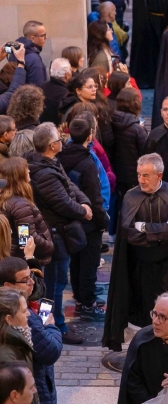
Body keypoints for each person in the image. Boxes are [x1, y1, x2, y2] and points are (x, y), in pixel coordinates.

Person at [103, 153, 168, 353]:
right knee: (142, 309)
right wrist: (159, 232)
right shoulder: (131, 196)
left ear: (159, 175)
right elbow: (129, 234)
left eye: (145, 176)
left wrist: (144, 227)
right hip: (139, 266)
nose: (140, 180)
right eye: (139, 175)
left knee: (166, 308)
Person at [26, 123, 92, 344]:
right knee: (52, 287)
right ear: (52, 145)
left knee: (56, 284)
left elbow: (69, 186)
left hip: (58, 235)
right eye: (59, 140)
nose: (62, 142)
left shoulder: (50, 162)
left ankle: (52, 323)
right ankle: (51, 326)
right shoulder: (43, 173)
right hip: (54, 238)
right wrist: (83, 211)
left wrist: (84, 202)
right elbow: (62, 202)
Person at [57, 117, 109, 322]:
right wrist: (102, 220)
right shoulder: (87, 162)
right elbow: (94, 196)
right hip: (89, 220)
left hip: (69, 217)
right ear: (90, 136)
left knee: (76, 262)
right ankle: (88, 304)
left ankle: (79, 297)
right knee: (89, 263)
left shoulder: (60, 157)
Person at [0, 294, 47, 404]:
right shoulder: (7, 356)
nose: (29, 315)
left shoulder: (17, 342)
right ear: (9, 319)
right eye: (24, 310)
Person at [0, 159, 53, 265]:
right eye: (25, 169)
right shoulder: (20, 204)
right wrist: (49, 246)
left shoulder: (8, 200)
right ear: (18, 175)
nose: (28, 171)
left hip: (13, 257)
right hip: (22, 260)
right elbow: (27, 238)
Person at [111, 86, 149, 205]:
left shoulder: (110, 122)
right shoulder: (137, 129)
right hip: (134, 177)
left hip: (115, 172)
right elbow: (146, 153)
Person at [40, 59, 72, 125]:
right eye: (71, 71)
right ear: (67, 75)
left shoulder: (43, 86)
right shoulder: (66, 94)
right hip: (57, 130)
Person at [16, 22, 48, 88]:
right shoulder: (34, 59)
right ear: (33, 38)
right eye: (43, 35)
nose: (46, 37)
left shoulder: (16, 52)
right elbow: (38, 87)